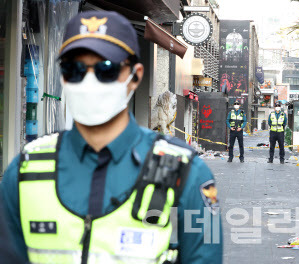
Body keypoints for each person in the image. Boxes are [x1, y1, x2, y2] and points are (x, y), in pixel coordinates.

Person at [0, 11, 222, 264]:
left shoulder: (189, 173)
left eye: (106, 69)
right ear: (63, 77)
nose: (89, 81)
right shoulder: (24, 172)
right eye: (75, 70)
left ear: (135, 76)